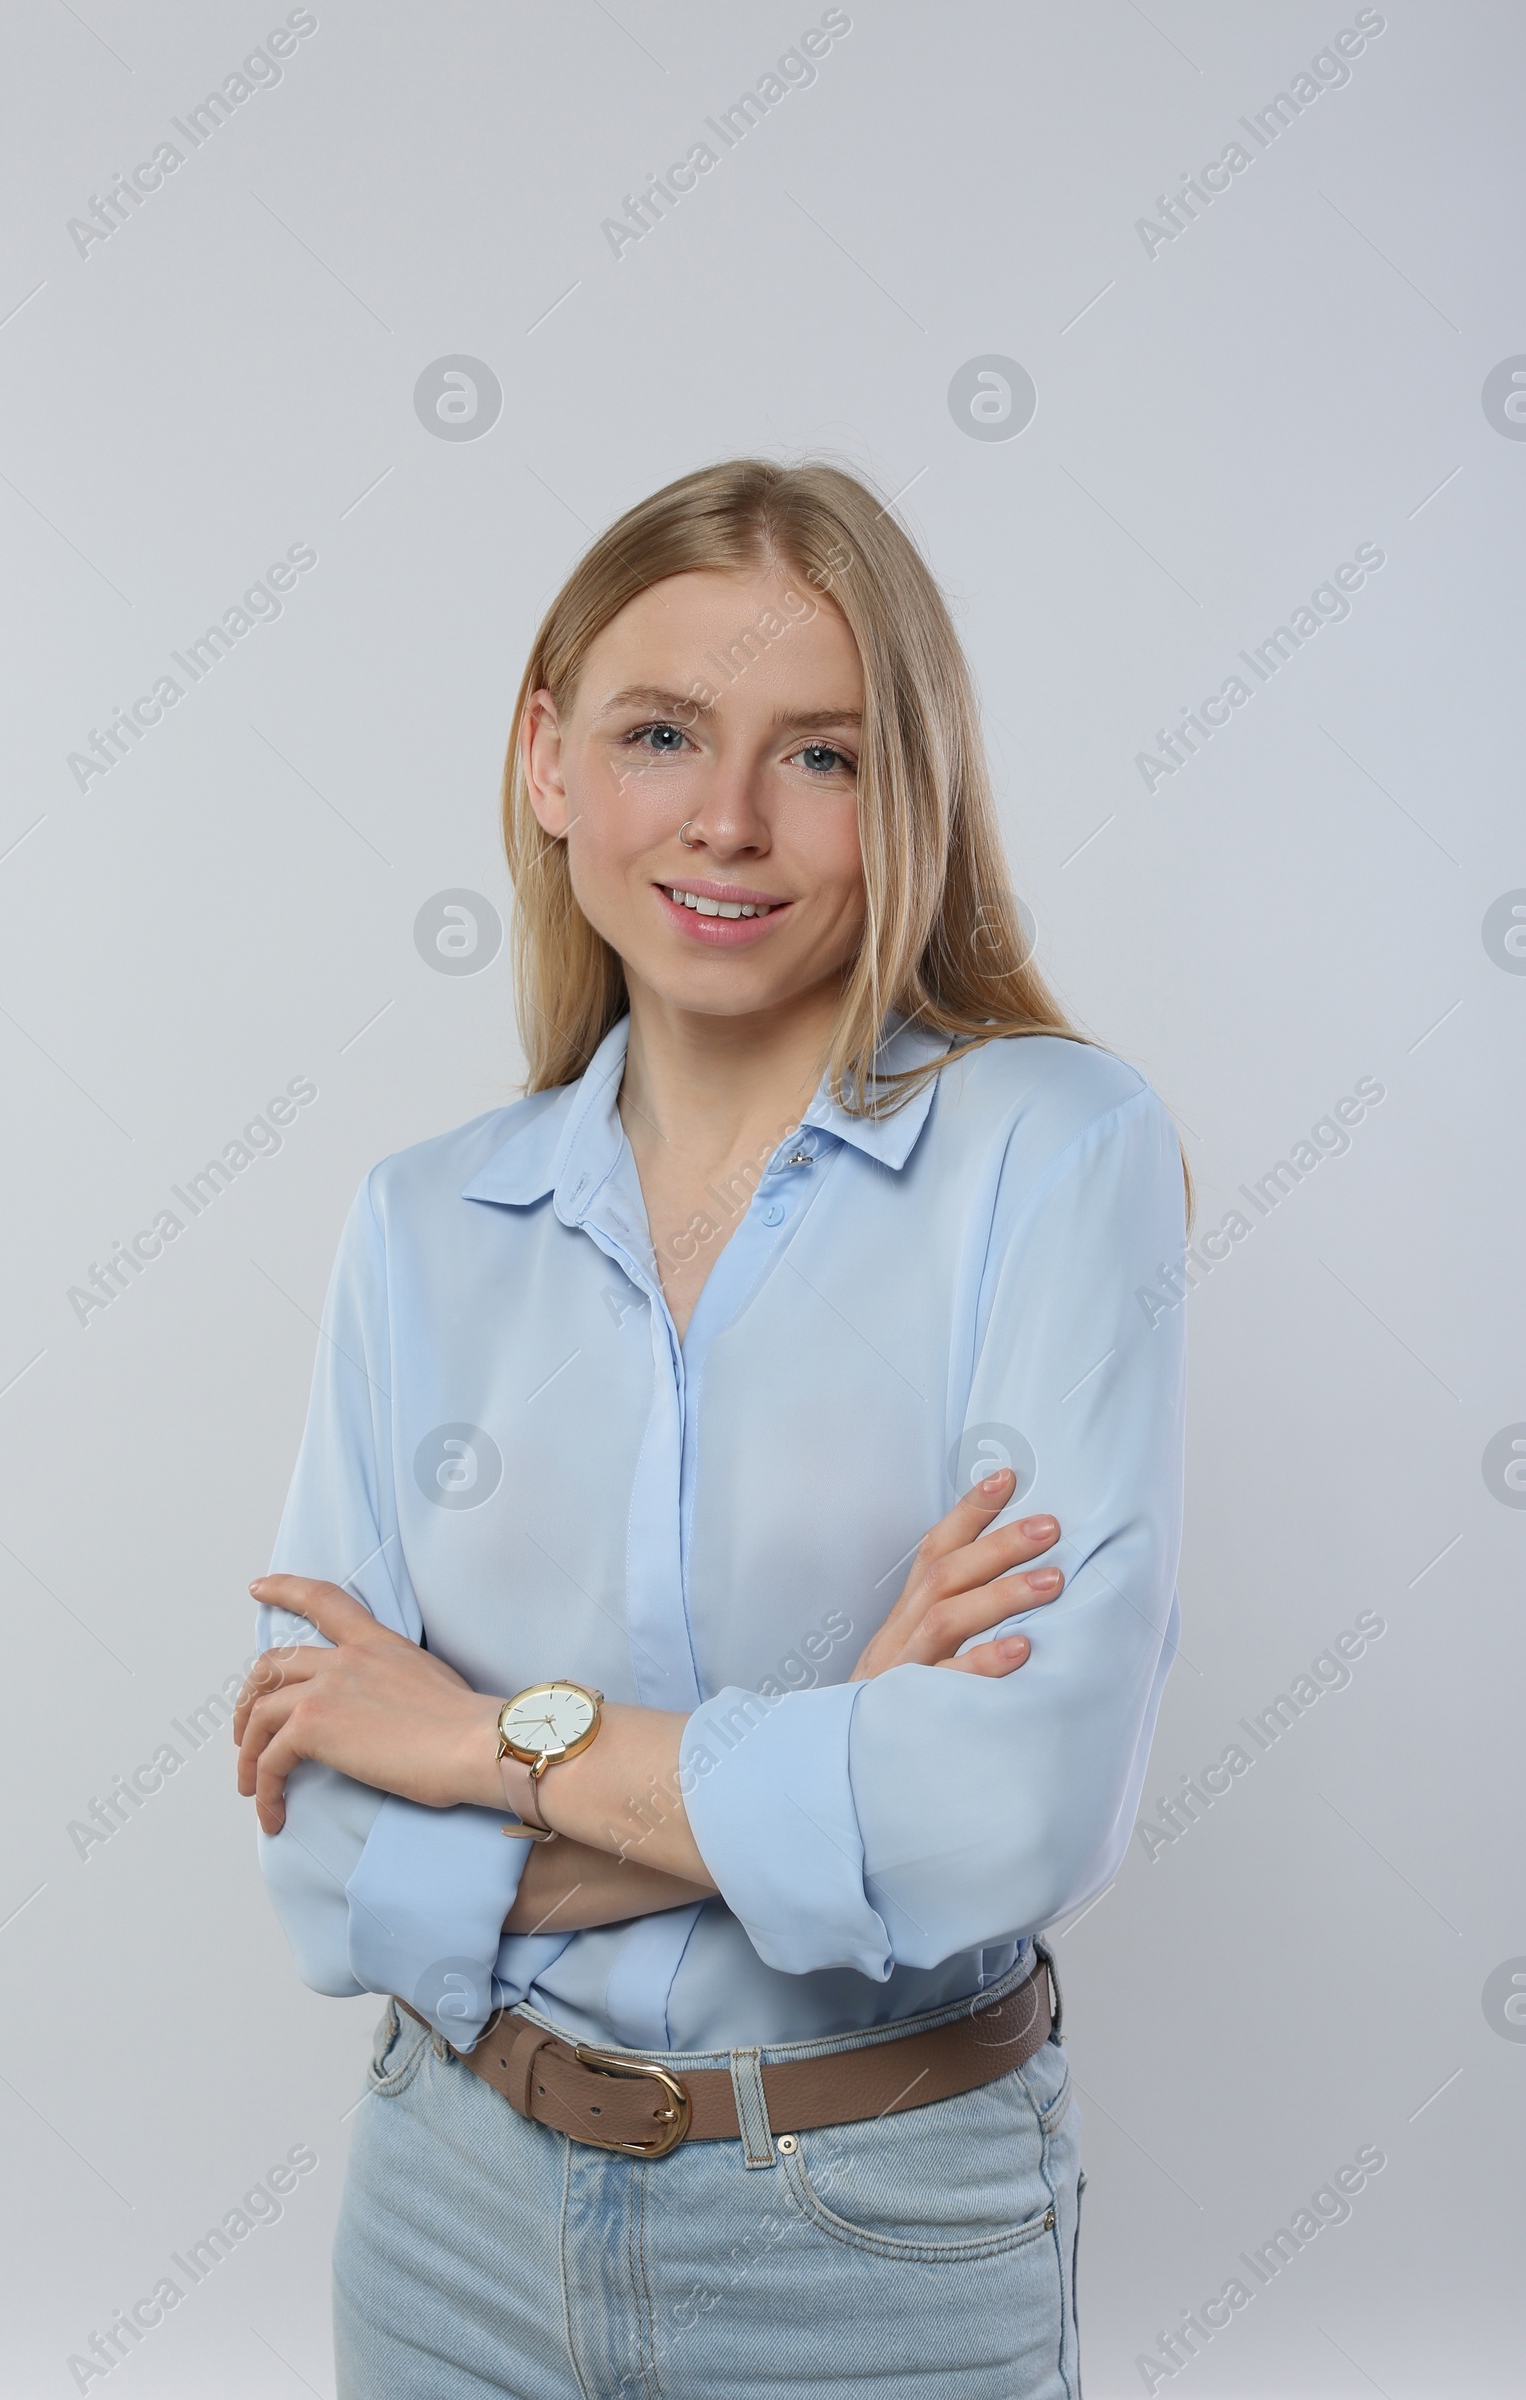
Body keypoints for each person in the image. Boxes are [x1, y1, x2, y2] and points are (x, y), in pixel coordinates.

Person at [234, 457, 1188, 2398]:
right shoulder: (420, 1223)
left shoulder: (1056, 1149)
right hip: (450, 2206)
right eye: (659, 732)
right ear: (546, 758)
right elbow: (323, 1853)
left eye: (821, 757)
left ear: (901, 789)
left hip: (865, 2227)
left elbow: (1011, 1807)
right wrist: (836, 1755)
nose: (729, 822)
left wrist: (481, 1741)